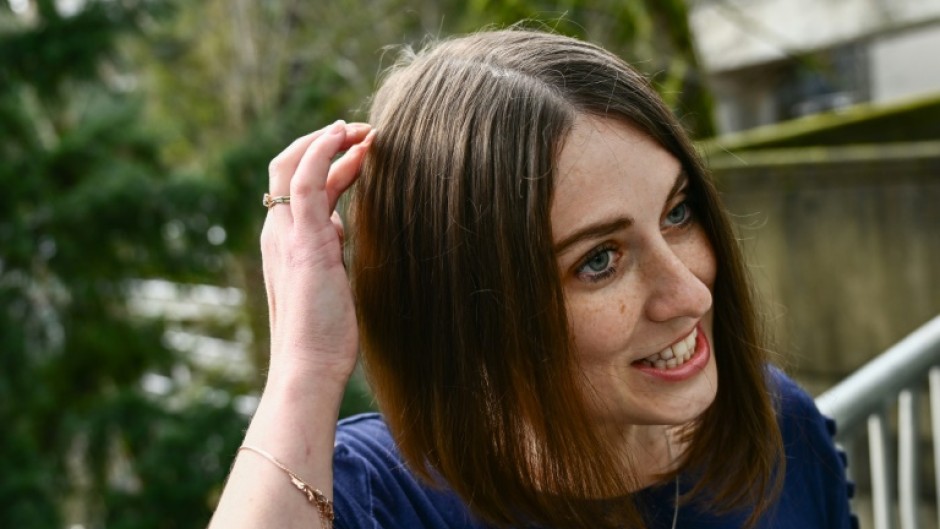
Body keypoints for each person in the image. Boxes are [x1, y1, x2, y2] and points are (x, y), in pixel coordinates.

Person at [209, 29, 855, 529]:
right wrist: (305, 366)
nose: (690, 291)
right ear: (475, 312)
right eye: (599, 259)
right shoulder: (369, 495)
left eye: (678, 212)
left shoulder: (776, 423)